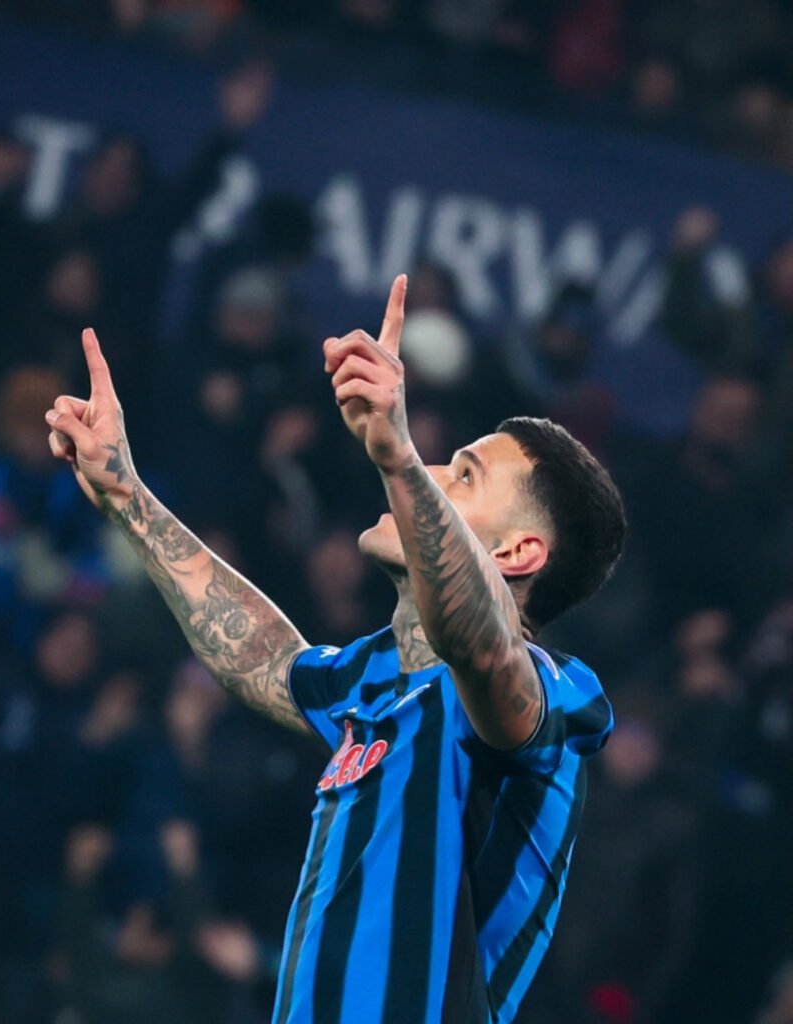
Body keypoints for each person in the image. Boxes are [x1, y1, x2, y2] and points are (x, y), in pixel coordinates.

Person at [45, 274, 627, 1022]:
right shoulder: (376, 679)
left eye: (465, 473)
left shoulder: (554, 696)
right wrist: (127, 495)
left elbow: (483, 650)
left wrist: (400, 461)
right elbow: (265, 656)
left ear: (517, 552)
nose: (435, 468)